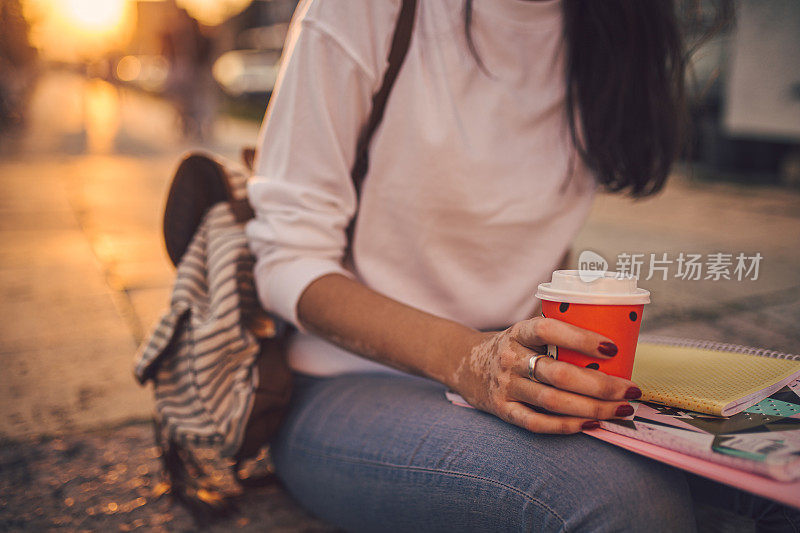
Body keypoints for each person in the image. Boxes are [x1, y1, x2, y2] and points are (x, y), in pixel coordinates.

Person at [245, 0, 797, 531]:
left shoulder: (617, 28)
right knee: (625, 503)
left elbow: (535, 245)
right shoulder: (366, 11)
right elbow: (287, 259)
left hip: (510, 374)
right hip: (344, 383)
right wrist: (470, 361)